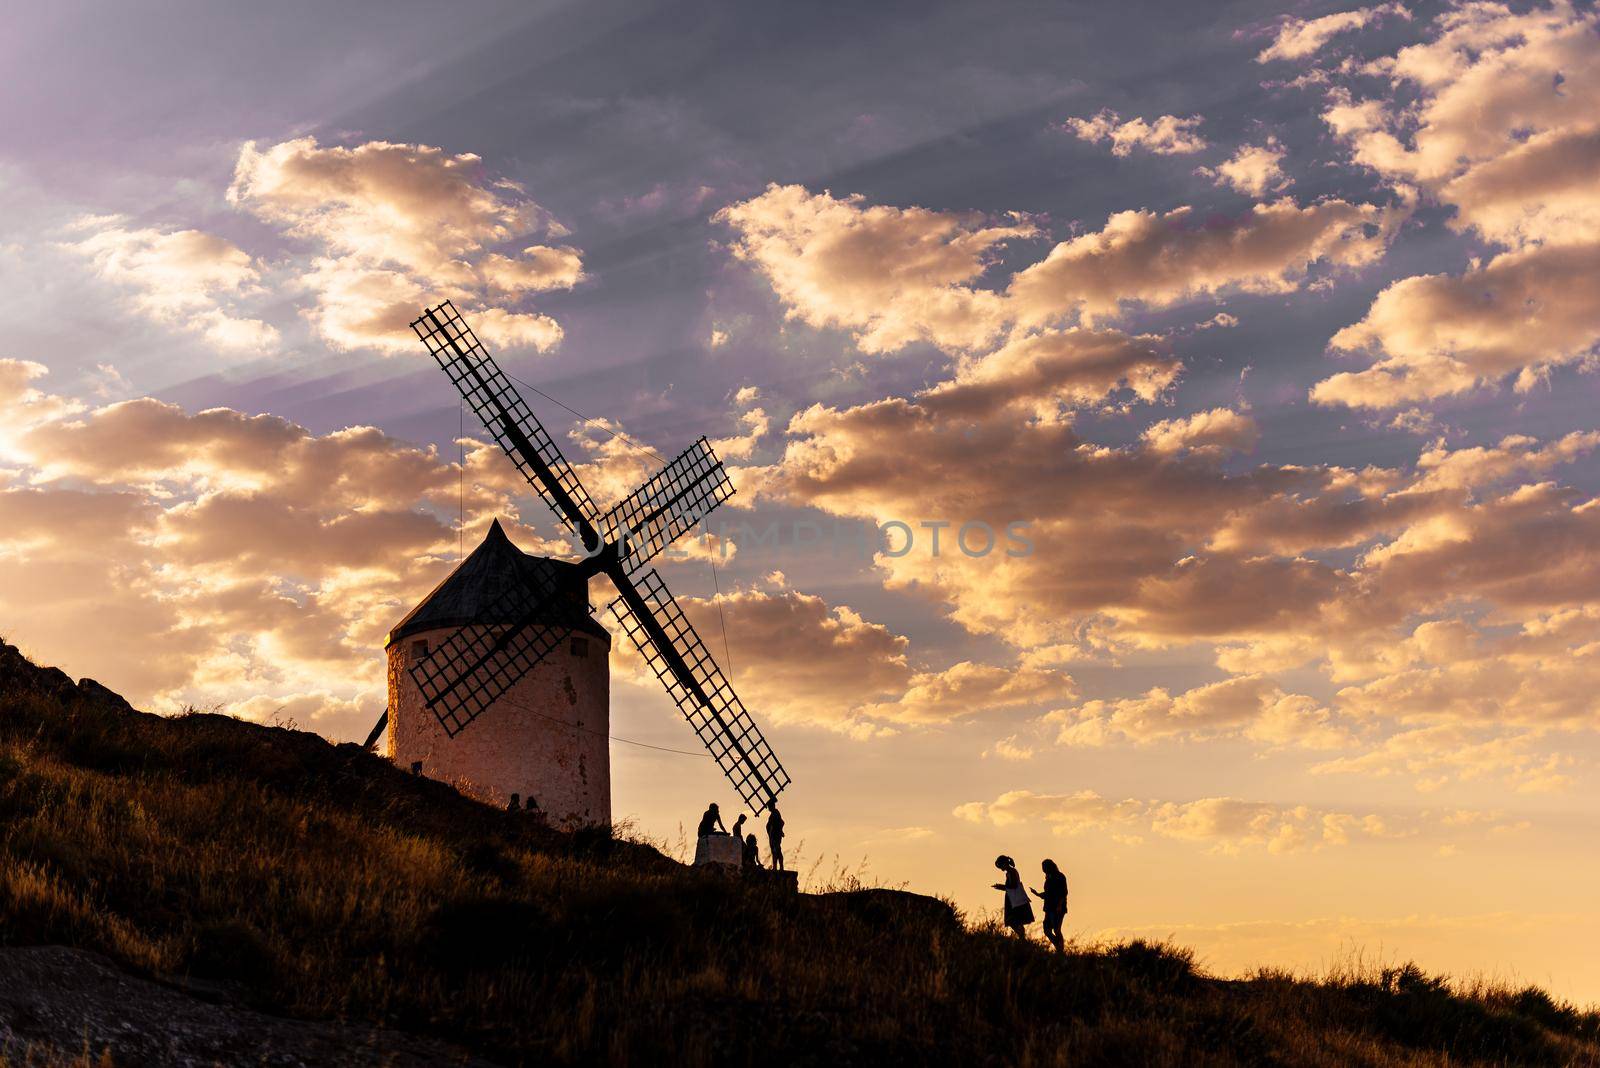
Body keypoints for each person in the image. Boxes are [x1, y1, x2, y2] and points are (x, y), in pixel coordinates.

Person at [1030, 858, 1068, 952]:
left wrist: (1059, 905)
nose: (1043, 869)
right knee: (1047, 930)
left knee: (1056, 929)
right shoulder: (1048, 878)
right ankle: (1058, 947)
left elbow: (1063, 892)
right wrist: (1038, 894)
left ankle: (1060, 949)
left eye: (1044, 867)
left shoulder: (1059, 876)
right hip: (1049, 907)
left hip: (1058, 907)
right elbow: (1048, 893)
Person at [991, 855, 1033, 939]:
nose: (1000, 868)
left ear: (1004, 864)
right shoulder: (1010, 872)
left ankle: (1022, 938)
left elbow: (1013, 885)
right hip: (1013, 899)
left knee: (1014, 921)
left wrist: (1002, 886)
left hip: (1015, 901)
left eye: (1000, 866)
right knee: (1016, 921)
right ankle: (1022, 938)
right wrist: (1002, 887)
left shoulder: (1011, 872)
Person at [766, 803, 786, 871]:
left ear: (772, 806)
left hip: (774, 836)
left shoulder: (775, 814)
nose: (768, 808)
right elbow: (781, 823)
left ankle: (777, 867)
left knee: (776, 851)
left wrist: (777, 831)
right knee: (776, 851)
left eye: (769, 806)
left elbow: (780, 823)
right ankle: (778, 867)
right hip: (774, 835)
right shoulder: (775, 813)